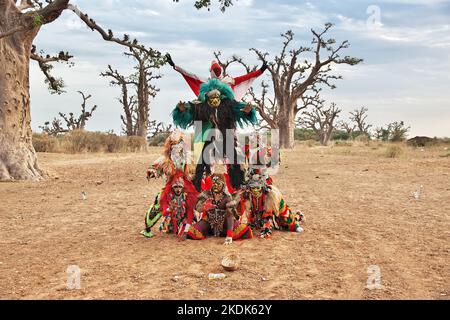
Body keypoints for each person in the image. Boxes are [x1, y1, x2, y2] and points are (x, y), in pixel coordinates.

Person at [172, 78, 258, 192]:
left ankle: (238, 184)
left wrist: (246, 111)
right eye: (212, 98)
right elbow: (190, 111)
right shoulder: (201, 107)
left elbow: (239, 109)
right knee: (202, 162)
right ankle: (197, 186)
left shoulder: (227, 105)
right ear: (207, 98)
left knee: (235, 160)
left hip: (226, 135)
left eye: (217, 98)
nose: (214, 100)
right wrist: (182, 110)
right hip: (209, 137)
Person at [166, 54, 268, 101]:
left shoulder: (229, 80)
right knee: (195, 108)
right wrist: (175, 66)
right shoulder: (206, 81)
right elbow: (189, 74)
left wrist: (261, 70)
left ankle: (233, 137)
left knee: (239, 111)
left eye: (218, 70)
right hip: (209, 103)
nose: (217, 72)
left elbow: (247, 77)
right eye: (215, 71)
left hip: (228, 103)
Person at [186, 173, 253, 244]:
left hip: (224, 222)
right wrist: (205, 206)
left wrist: (229, 236)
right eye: (214, 184)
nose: (216, 186)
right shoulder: (206, 194)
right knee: (190, 232)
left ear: (223, 185)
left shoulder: (227, 197)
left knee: (245, 233)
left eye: (218, 184)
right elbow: (197, 208)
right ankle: (211, 231)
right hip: (209, 220)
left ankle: (228, 234)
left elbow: (231, 214)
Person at [238, 173, 305, 238]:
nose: (255, 190)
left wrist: (266, 229)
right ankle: (298, 216)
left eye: (257, 188)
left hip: (277, 210)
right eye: (253, 188)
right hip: (259, 210)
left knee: (285, 221)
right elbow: (246, 210)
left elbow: (268, 215)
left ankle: (297, 221)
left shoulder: (270, 195)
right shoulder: (247, 194)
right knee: (255, 221)